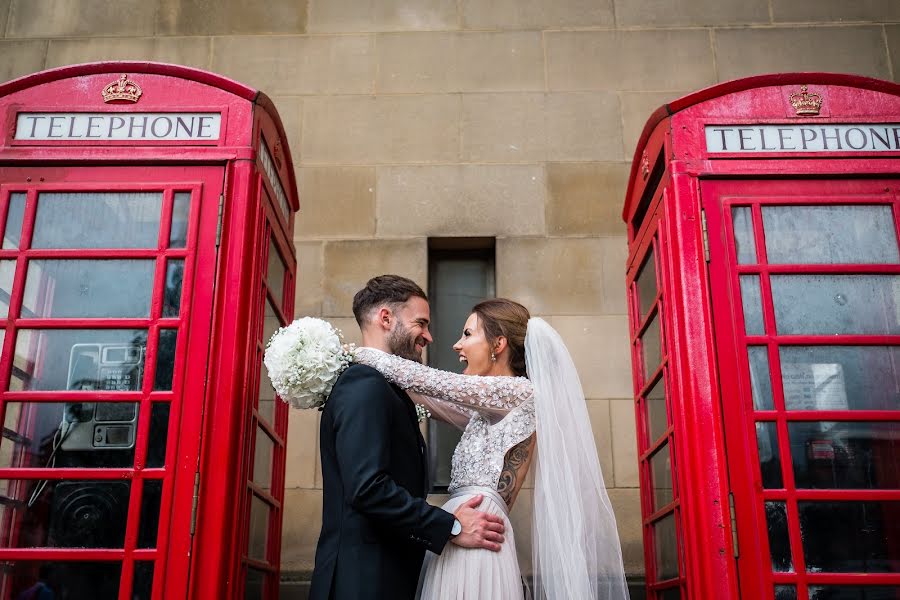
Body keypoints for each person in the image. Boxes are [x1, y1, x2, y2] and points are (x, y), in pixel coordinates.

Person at [354, 298, 630, 600]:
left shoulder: (520, 392)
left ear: (498, 344)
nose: (457, 346)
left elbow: (428, 381)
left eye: (468, 334)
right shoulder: (484, 411)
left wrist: (351, 354)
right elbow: (419, 396)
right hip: (461, 530)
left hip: (479, 535)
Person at [309, 275, 507, 600]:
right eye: (421, 323)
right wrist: (450, 526)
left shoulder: (385, 386)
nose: (428, 336)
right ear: (386, 318)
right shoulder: (364, 383)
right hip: (361, 583)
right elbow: (368, 488)